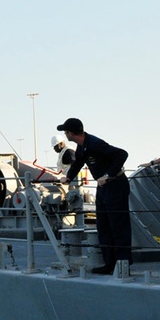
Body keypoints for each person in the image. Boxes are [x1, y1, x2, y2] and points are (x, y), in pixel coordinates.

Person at [57, 117, 131, 274]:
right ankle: (109, 264)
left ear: (71, 132)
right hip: (103, 188)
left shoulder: (95, 144)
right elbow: (78, 163)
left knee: (118, 226)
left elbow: (122, 154)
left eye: (66, 131)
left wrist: (108, 175)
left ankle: (123, 265)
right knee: (103, 226)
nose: (65, 134)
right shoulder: (82, 146)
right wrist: (69, 177)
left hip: (115, 185)